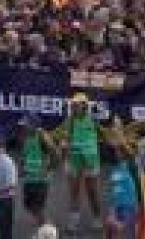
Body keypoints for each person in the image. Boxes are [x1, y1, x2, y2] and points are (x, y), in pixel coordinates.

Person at [55, 94, 104, 232]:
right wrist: (63, 146)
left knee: (92, 192)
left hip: (90, 161)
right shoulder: (69, 121)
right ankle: (73, 222)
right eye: (73, 105)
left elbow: (104, 134)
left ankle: (97, 218)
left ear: (85, 106)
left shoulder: (93, 120)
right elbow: (65, 138)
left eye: (78, 104)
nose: (74, 107)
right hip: (74, 160)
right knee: (74, 192)